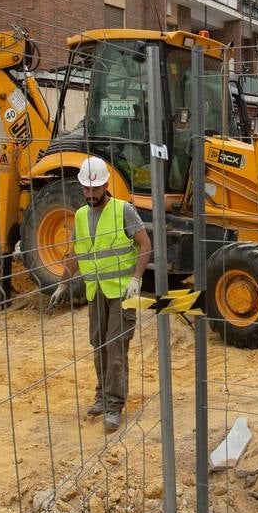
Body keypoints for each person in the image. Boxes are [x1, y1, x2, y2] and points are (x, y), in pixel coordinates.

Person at [52, 156, 152, 432]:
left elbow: (145, 245)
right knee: (98, 344)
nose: (90, 195)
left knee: (115, 347)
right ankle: (102, 396)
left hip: (123, 292)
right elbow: (76, 252)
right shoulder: (82, 216)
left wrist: (136, 278)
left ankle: (114, 406)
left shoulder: (123, 211)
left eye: (95, 190)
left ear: (106, 185)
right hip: (96, 291)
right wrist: (63, 283)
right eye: (86, 189)